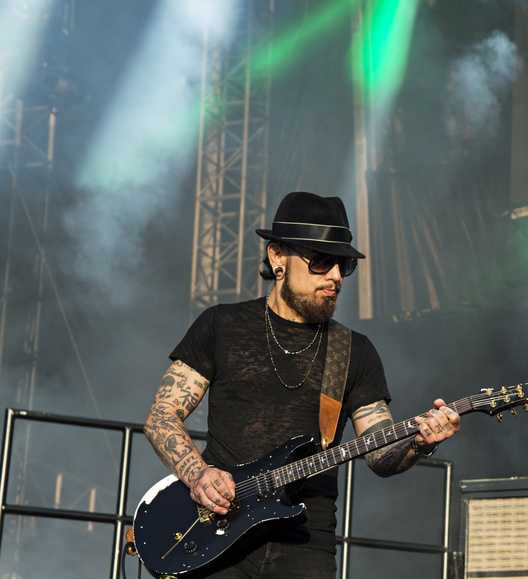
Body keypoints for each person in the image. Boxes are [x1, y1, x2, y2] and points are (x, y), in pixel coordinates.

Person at [143, 191, 460, 578]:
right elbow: (161, 417)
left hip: (306, 541)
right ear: (278, 257)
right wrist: (198, 475)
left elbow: (380, 454)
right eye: (321, 262)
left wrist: (419, 442)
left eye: (343, 266)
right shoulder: (221, 325)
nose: (335, 277)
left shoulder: (353, 351)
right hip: (219, 529)